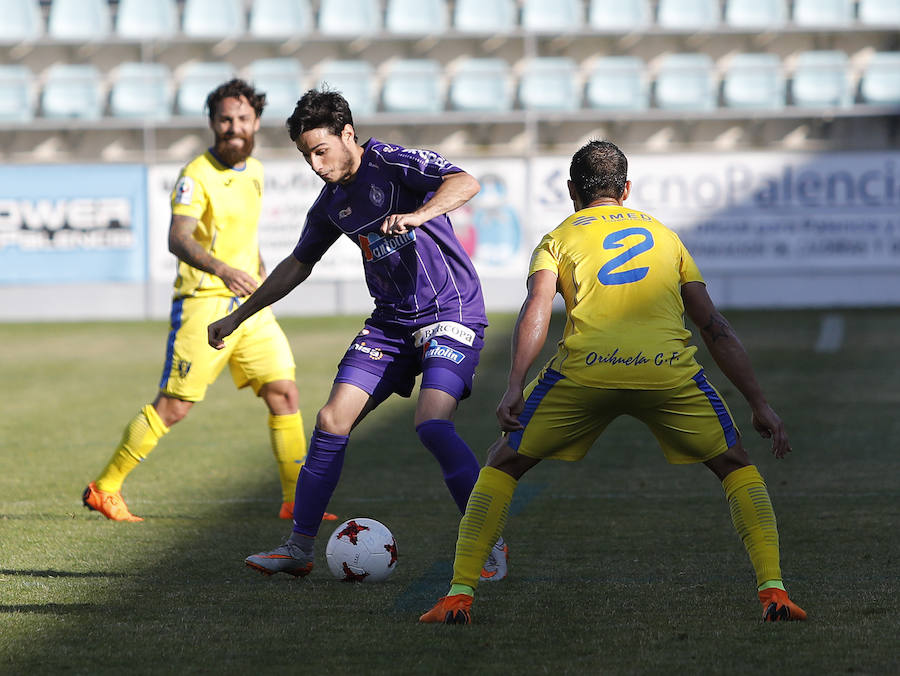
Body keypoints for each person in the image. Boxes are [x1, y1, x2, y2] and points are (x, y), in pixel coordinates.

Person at [420, 140, 807, 624]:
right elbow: (713, 326)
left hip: (586, 371)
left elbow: (537, 308)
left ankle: (459, 596)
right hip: (665, 370)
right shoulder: (666, 237)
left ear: (570, 190)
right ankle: (774, 593)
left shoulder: (558, 237)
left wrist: (515, 382)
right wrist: (759, 403)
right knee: (734, 464)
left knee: (503, 463)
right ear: (626, 189)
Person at [208, 88, 508, 581]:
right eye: (307, 155)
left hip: (450, 310)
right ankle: (298, 548)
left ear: (349, 134)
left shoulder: (392, 162)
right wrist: (237, 317)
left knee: (432, 424)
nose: (315, 163)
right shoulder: (331, 203)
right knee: (330, 420)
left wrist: (418, 214)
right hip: (391, 322)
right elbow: (296, 266)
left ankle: (488, 541)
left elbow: (466, 181)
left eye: (321, 150)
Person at [82, 79, 334, 523]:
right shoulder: (195, 175)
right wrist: (223, 269)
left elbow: (246, 239)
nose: (233, 127)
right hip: (204, 303)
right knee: (175, 406)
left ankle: (297, 502)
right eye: (224, 120)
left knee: (284, 391)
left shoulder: (254, 170)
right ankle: (104, 488)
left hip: (250, 307)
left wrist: (255, 271)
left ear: (255, 121)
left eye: (242, 119)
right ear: (213, 123)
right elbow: (178, 237)